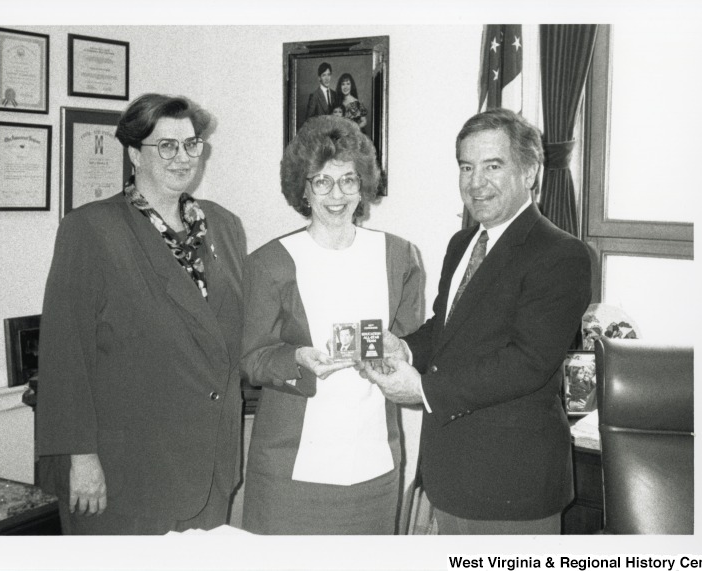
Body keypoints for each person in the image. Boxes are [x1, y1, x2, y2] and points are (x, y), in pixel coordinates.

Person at [362, 108, 592, 535]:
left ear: (530, 172)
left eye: (492, 166)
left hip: (512, 486)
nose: (475, 182)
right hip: (452, 475)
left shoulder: (562, 255)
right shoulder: (462, 242)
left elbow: (528, 362)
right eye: (466, 167)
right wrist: (406, 347)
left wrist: (423, 388)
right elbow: (446, 329)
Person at [36, 93, 246, 535]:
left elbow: (234, 333)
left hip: (209, 461)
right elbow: (64, 353)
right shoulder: (91, 230)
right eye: (165, 146)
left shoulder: (223, 227)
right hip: (127, 469)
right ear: (134, 153)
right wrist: (82, 458)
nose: (182, 157)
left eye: (191, 144)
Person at [240, 115, 423, 534]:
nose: (336, 194)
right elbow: (251, 359)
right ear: (302, 189)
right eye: (321, 181)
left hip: (374, 466)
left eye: (348, 180)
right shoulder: (270, 263)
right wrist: (297, 359)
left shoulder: (399, 256)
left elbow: (411, 341)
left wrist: (398, 355)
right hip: (293, 470)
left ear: (364, 185)